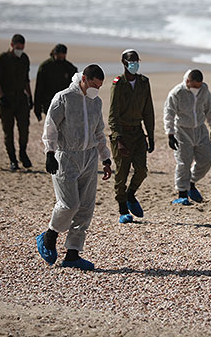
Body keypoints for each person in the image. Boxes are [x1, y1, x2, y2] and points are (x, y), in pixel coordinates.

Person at [36, 65, 112, 271]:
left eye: (100, 86)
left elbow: (98, 133)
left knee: (85, 208)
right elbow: (50, 127)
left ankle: (72, 254)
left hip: (88, 158)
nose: (96, 89)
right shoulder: (64, 98)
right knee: (69, 204)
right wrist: (49, 153)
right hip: (66, 156)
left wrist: (105, 158)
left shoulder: (96, 102)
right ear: (84, 79)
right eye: (94, 85)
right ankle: (49, 236)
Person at [109, 49, 155, 224]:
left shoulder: (144, 82)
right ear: (124, 63)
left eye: (136, 60)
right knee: (122, 172)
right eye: (131, 61)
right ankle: (122, 207)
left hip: (138, 133)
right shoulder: (118, 84)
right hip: (122, 134)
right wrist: (118, 139)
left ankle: (130, 194)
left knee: (141, 170)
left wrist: (151, 136)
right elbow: (113, 114)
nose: (134, 64)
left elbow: (148, 111)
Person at [164, 69, 211, 205]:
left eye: (199, 86)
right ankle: (182, 193)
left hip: (200, 129)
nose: (197, 89)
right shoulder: (177, 93)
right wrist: (170, 133)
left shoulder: (204, 90)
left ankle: (191, 183)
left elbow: (209, 108)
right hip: (182, 130)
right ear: (188, 82)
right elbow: (169, 113)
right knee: (184, 162)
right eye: (195, 86)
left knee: (206, 160)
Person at [0, 34, 33, 171]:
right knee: (8, 132)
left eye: (22, 48)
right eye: (17, 47)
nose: (20, 50)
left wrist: (30, 95)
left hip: (21, 99)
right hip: (6, 100)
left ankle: (23, 152)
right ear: (11, 45)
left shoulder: (24, 59)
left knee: (24, 129)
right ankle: (12, 159)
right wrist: (1, 96)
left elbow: (26, 79)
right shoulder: (2, 59)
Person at [33, 43, 78, 122]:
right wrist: (37, 109)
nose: (61, 57)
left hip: (65, 104)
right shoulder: (45, 67)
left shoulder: (70, 68)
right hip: (49, 103)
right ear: (54, 53)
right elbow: (39, 88)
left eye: (63, 55)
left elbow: (75, 88)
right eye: (59, 55)